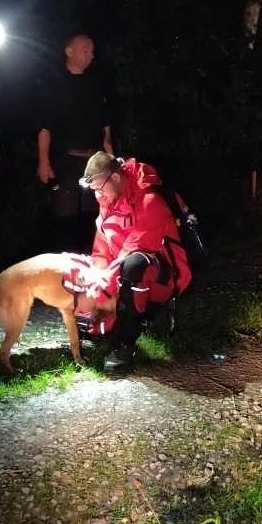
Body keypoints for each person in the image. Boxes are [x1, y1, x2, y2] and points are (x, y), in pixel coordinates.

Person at [79, 152, 192, 372]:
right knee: (86, 268)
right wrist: (94, 278)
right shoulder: (107, 201)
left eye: (100, 187)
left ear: (116, 178)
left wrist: (104, 282)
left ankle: (124, 344)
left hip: (163, 274)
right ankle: (95, 328)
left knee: (133, 267)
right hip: (123, 269)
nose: (98, 194)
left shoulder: (150, 201)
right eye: (94, 190)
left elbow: (131, 252)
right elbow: (101, 250)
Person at [36, 34, 113, 252]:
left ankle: (93, 267)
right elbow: (44, 125)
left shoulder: (95, 84)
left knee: (93, 216)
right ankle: (67, 268)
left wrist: (110, 157)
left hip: (94, 161)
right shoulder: (53, 83)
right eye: (85, 49)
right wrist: (44, 161)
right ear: (69, 51)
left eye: (92, 50)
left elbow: (105, 124)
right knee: (65, 217)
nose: (91, 54)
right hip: (65, 159)